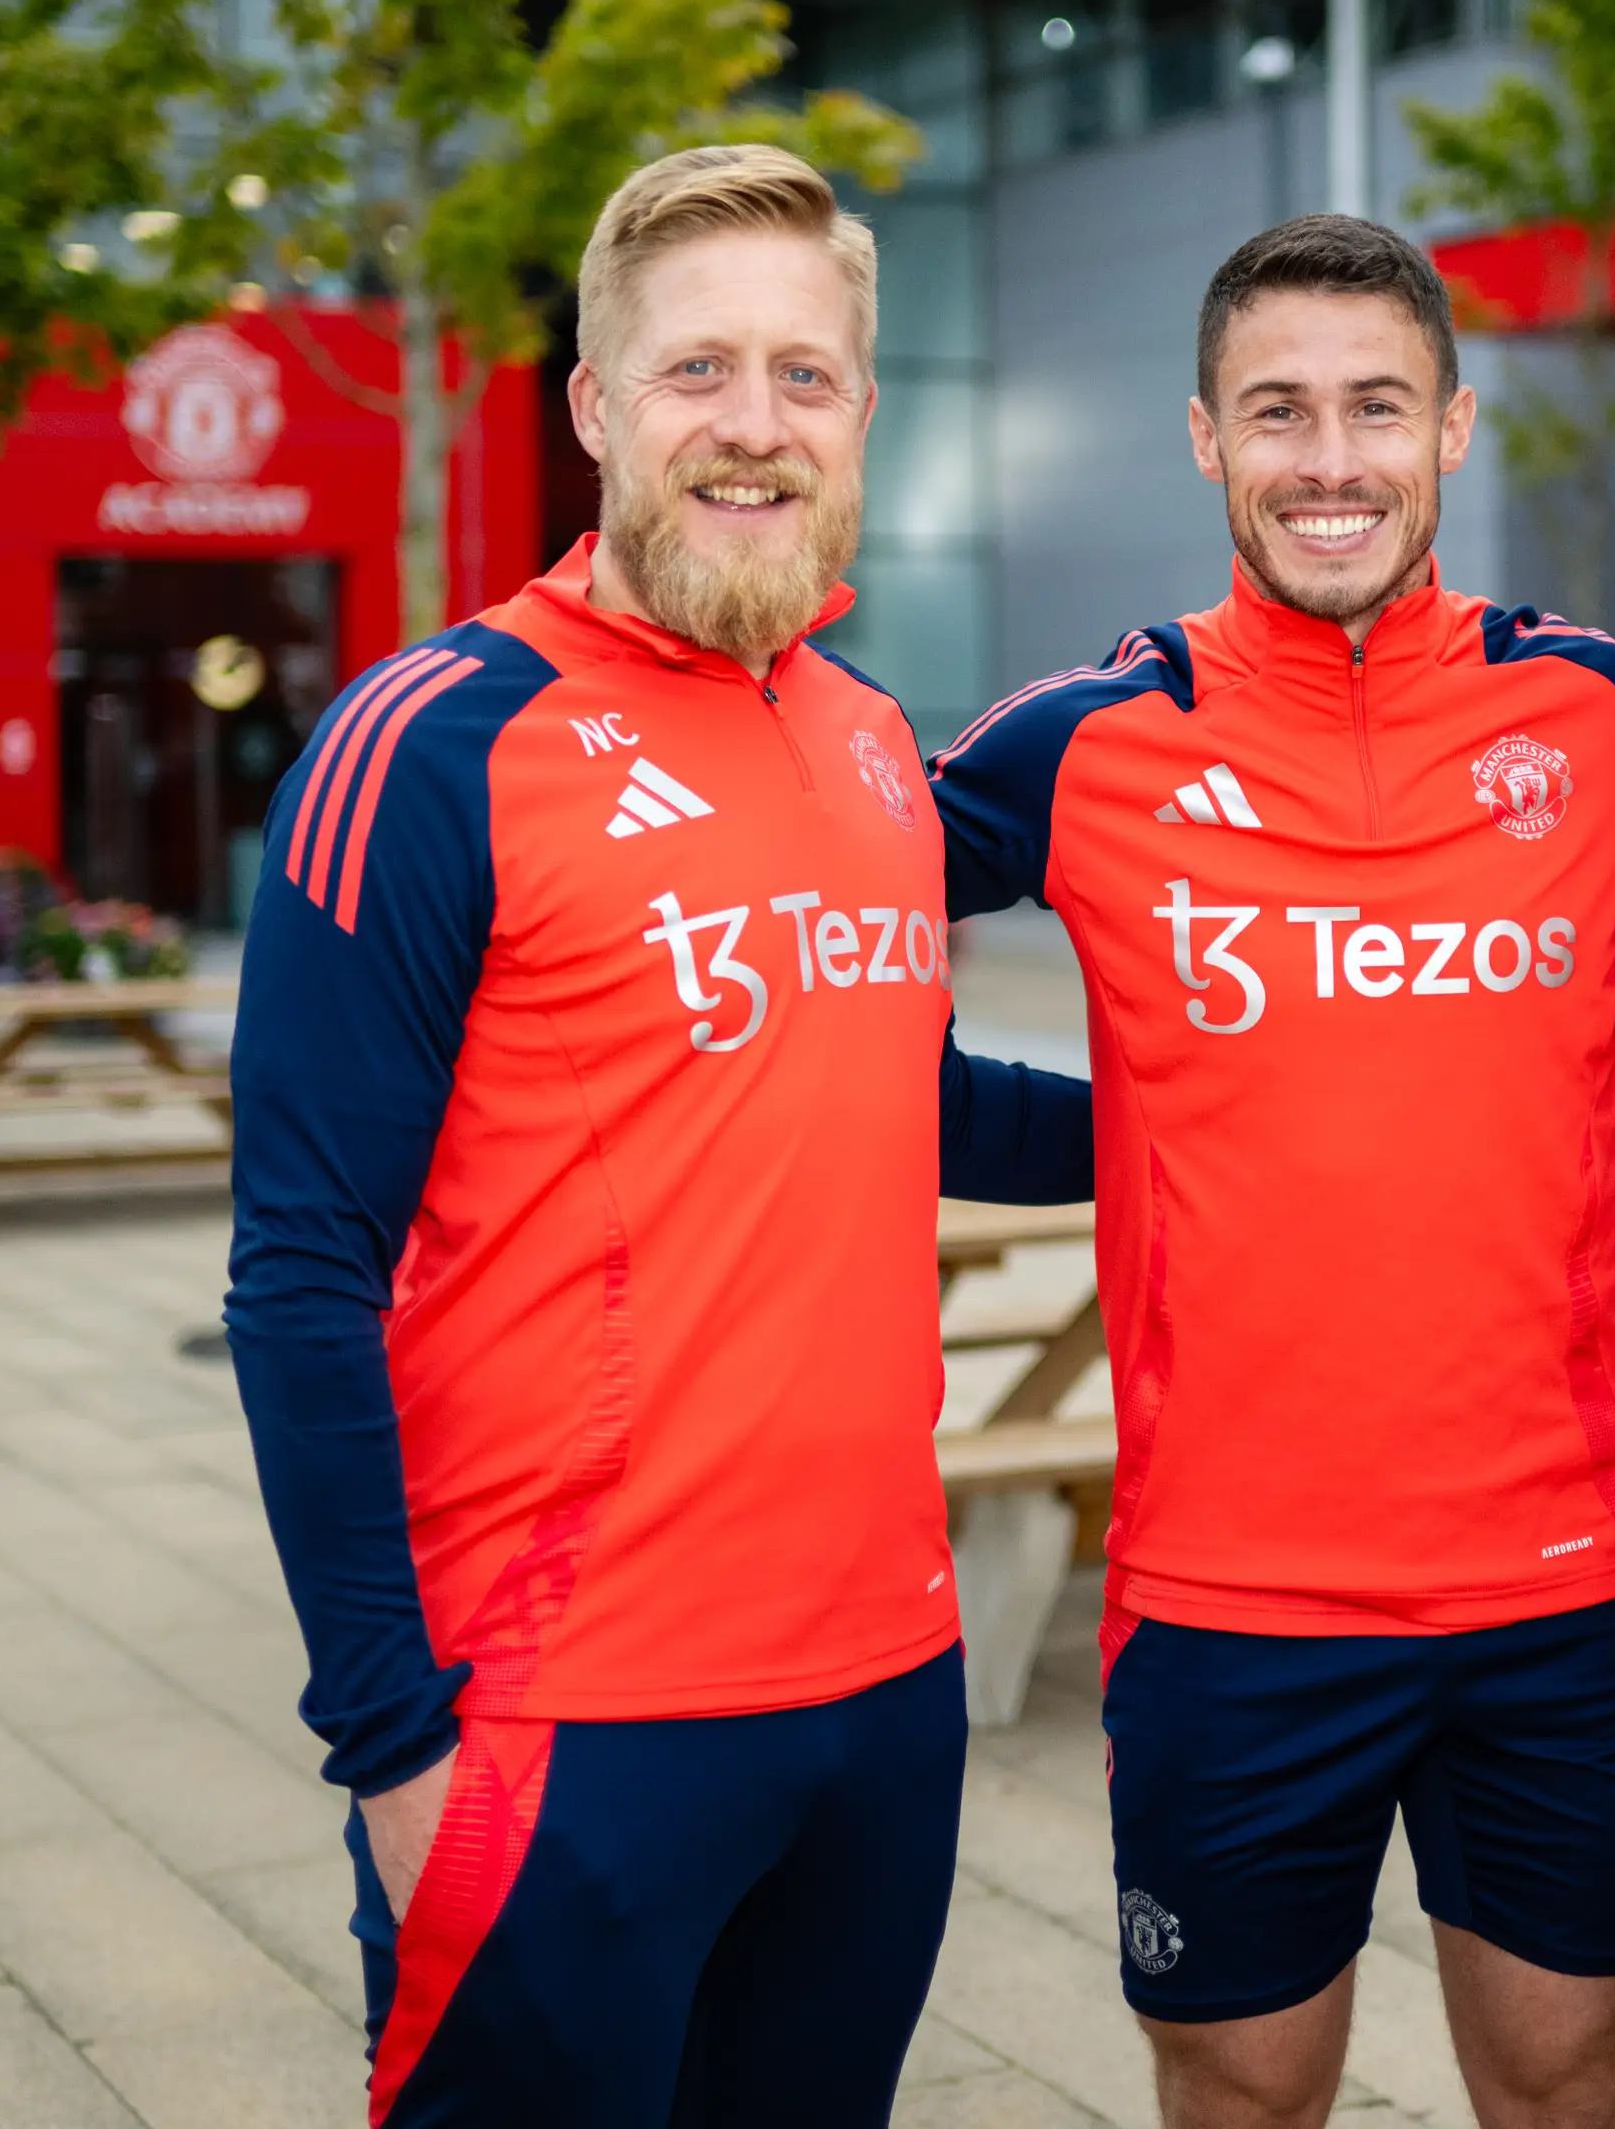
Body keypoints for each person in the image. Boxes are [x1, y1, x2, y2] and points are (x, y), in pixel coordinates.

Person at [224, 144, 1090, 2128]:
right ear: (597, 407)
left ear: (864, 415)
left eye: (806, 374)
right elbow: (298, 1274)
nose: (756, 423)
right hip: (563, 1718)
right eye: (699, 370)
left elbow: (894, 1085)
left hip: (883, 1695)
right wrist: (390, 1748)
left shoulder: (866, 734)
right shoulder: (433, 738)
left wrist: (1197, 1117)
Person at [927, 214, 1615, 2129]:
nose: (1330, 457)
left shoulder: (1602, 714)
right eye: (1277, 410)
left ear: (1455, 426)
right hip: (1232, 1598)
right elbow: (819, 940)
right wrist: (1117, 1147)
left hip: (1560, 1580)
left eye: (1377, 404)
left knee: (1566, 2076)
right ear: (1206, 440)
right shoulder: (1088, 744)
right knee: (1245, 2086)